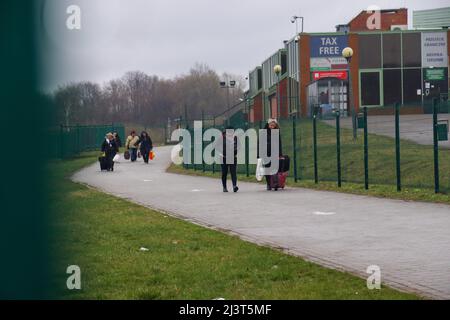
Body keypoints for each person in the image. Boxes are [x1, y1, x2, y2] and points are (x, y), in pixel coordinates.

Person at [217, 126, 240, 193]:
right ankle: (224, 187)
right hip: (223, 157)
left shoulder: (235, 138)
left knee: (233, 172)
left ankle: (234, 186)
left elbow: (239, 146)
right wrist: (222, 152)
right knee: (224, 172)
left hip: (233, 157)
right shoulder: (221, 138)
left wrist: (236, 151)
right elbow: (217, 146)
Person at [263, 119, 282, 191]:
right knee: (267, 169)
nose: (272, 126)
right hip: (265, 153)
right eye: (271, 125)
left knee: (274, 169)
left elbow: (279, 143)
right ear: (268, 125)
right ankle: (268, 184)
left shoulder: (277, 132)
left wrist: (280, 153)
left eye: (273, 125)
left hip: (274, 152)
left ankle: (275, 183)